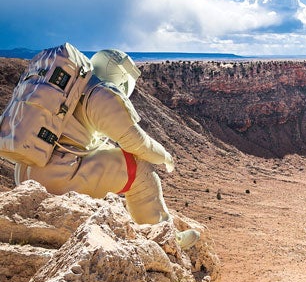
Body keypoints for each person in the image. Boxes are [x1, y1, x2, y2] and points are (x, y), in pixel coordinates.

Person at [13, 48, 200, 249]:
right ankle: (165, 239)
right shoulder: (101, 93)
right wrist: (165, 156)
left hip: (25, 173)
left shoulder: (73, 86)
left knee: (110, 157)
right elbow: (137, 144)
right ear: (121, 77)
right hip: (57, 178)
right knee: (139, 167)